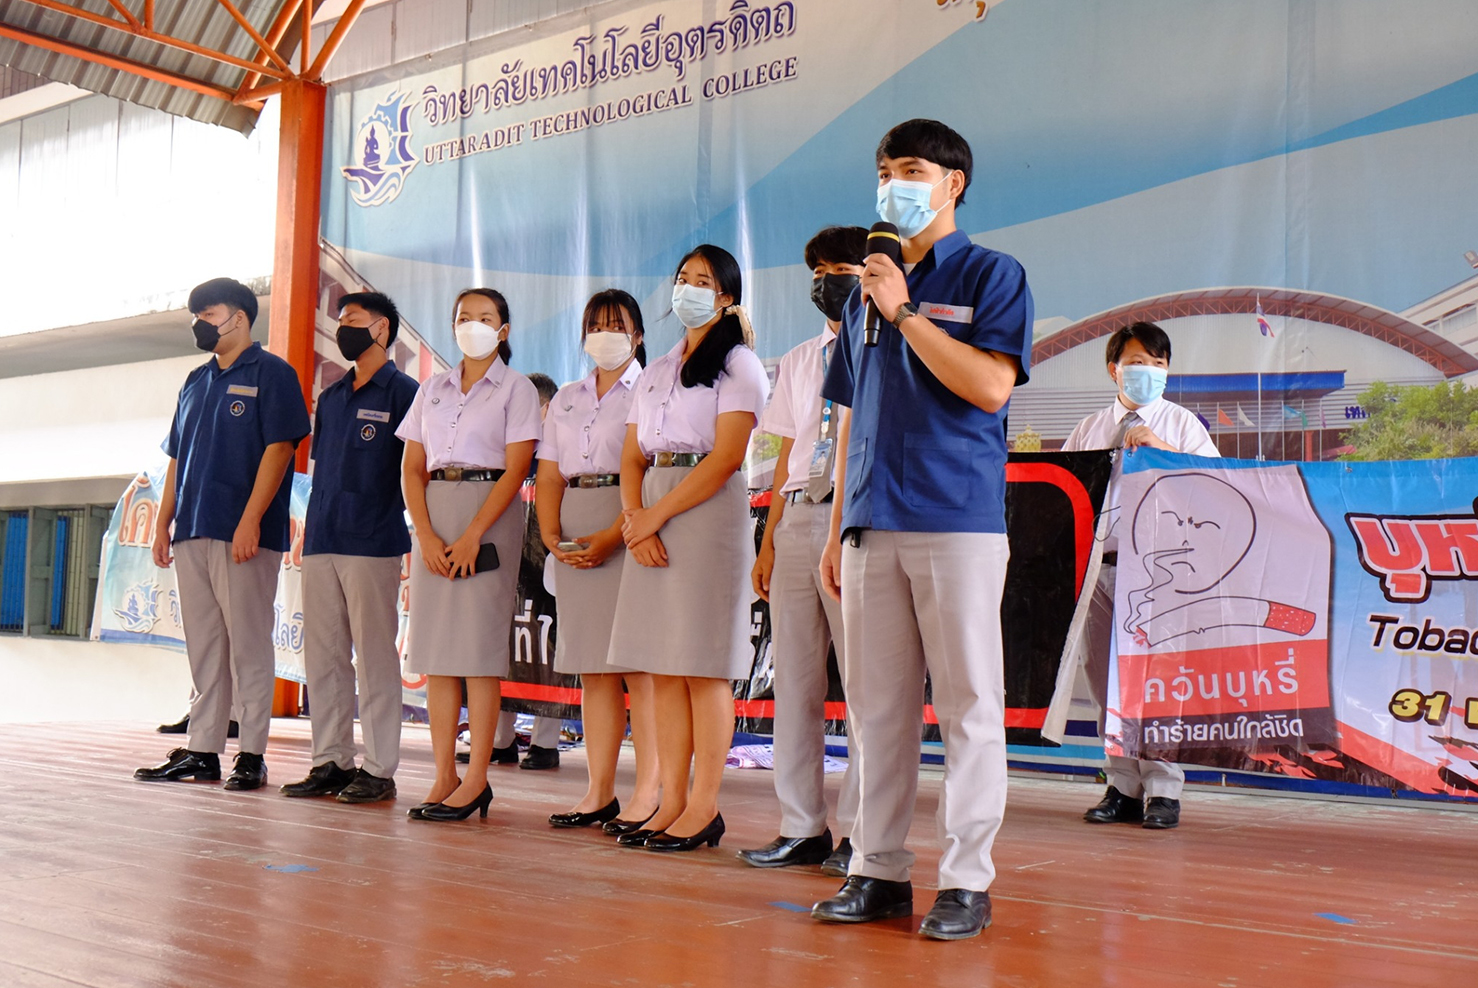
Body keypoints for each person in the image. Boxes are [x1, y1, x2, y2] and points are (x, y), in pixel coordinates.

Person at [810, 119, 1033, 941]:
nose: (892, 183)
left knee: (970, 704)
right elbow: (851, 420)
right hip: (871, 519)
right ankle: (877, 868)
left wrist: (905, 313)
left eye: (910, 168)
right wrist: (838, 525)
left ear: (953, 182)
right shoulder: (865, 291)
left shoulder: (990, 274)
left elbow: (988, 388)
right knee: (876, 710)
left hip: (956, 518)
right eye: (883, 170)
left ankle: (966, 880)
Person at [604, 245, 769, 852]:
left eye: (704, 281)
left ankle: (704, 805)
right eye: (682, 278)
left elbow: (727, 457)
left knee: (701, 666)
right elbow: (631, 454)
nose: (690, 289)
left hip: (702, 508)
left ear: (726, 295)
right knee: (661, 666)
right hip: (651, 502)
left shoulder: (740, 365)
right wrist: (633, 517)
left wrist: (653, 517)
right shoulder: (654, 369)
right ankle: (670, 797)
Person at [136, 277, 311, 791]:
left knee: (248, 645)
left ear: (238, 317)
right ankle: (203, 750)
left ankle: (252, 754)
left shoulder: (273, 374)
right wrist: (165, 521)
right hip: (192, 528)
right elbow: (176, 459)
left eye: (207, 314)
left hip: (243, 535)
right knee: (205, 645)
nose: (199, 324)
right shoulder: (195, 380)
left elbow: (281, 449)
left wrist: (251, 520)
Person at [739, 226, 866, 876]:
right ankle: (802, 825)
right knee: (794, 679)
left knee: (871, 685)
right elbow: (786, 450)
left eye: (840, 267)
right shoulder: (797, 359)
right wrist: (769, 539)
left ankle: (866, 836)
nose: (826, 280)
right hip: (797, 519)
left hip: (859, 517)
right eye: (817, 269)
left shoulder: (884, 349)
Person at [1061, 321, 1219, 831]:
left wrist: (1161, 453)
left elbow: (1216, 488)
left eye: (1158, 363)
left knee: (1160, 680)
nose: (1148, 372)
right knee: (1105, 679)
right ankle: (1121, 784)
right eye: (1138, 362)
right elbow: (1065, 496)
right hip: (1101, 570)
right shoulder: (1088, 428)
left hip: (1163, 574)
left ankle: (1163, 789)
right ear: (1115, 369)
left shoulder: (1183, 425)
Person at [395, 288, 541, 822]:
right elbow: (413, 466)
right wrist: (426, 533)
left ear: (503, 330)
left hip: (490, 514)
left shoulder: (516, 389)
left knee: (478, 652)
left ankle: (478, 776)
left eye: (484, 318)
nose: (471, 325)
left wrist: (476, 531)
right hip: (435, 512)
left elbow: (517, 465)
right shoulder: (431, 389)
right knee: (436, 653)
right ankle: (443, 774)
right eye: (463, 317)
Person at [280, 292, 419, 804]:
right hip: (323, 538)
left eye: (353, 321)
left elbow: (412, 474)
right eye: (341, 321)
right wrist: (306, 532)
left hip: (373, 540)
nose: (343, 329)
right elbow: (323, 474)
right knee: (325, 655)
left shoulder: (405, 392)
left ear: (382, 329)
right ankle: (330, 761)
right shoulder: (333, 397)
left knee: (375, 656)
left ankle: (379, 768)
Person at [537, 290, 660, 829]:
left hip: (631, 517)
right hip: (573, 521)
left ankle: (651, 793)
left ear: (637, 334)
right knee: (594, 670)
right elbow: (547, 472)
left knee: (638, 667)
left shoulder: (655, 386)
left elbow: (653, 467)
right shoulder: (566, 395)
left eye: (617, 324)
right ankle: (599, 792)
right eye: (596, 324)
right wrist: (549, 535)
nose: (605, 333)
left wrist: (616, 532)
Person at [489, 371, 565, 771]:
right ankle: (500, 740)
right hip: (508, 560)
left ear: (547, 407)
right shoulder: (506, 452)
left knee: (545, 645)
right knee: (504, 644)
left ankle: (544, 743)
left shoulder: (560, 449)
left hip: (546, 563)